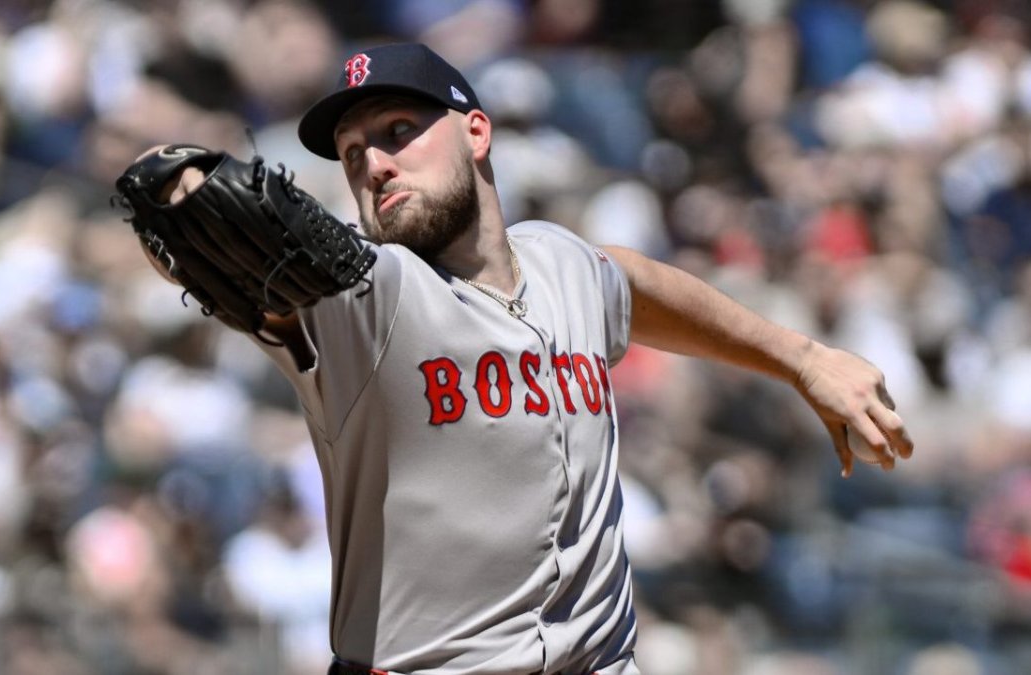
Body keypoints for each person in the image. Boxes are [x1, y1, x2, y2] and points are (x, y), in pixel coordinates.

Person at [144, 42, 913, 675]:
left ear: (477, 132)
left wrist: (802, 358)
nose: (373, 164)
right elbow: (236, 249)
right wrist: (187, 189)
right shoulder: (364, 297)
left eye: (398, 129)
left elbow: (637, 284)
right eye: (352, 154)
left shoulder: (561, 264)